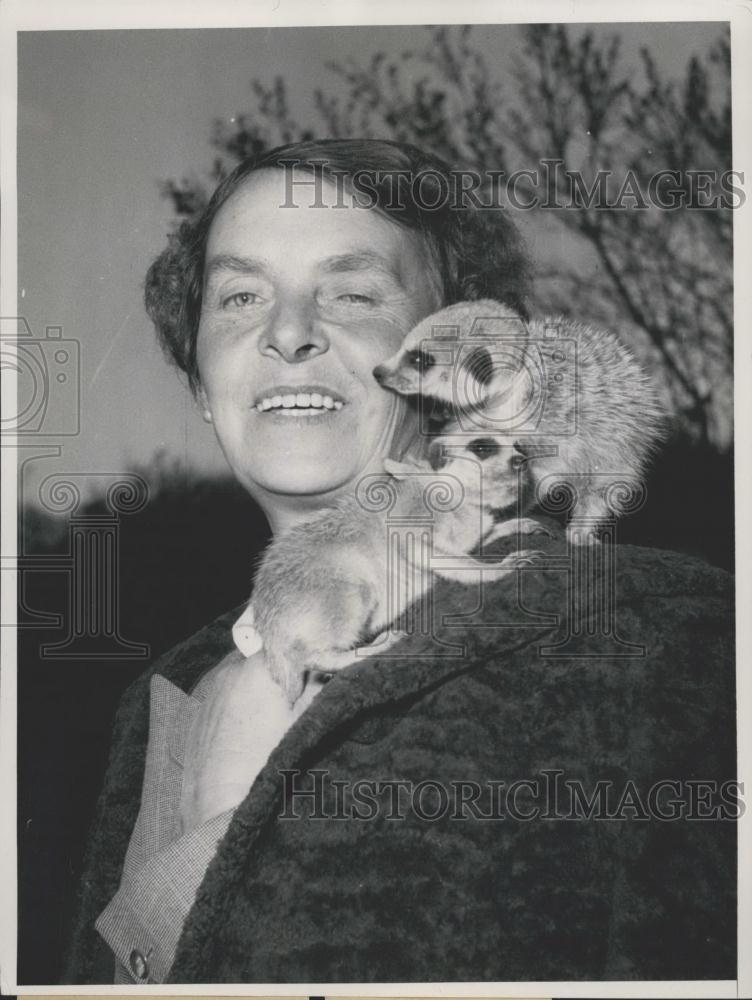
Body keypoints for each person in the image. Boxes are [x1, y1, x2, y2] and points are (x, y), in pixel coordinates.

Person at [62, 139, 736, 985]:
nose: (290, 332)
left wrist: (222, 825)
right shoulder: (155, 700)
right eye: (239, 296)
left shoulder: (660, 637)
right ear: (200, 384)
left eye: (352, 291)